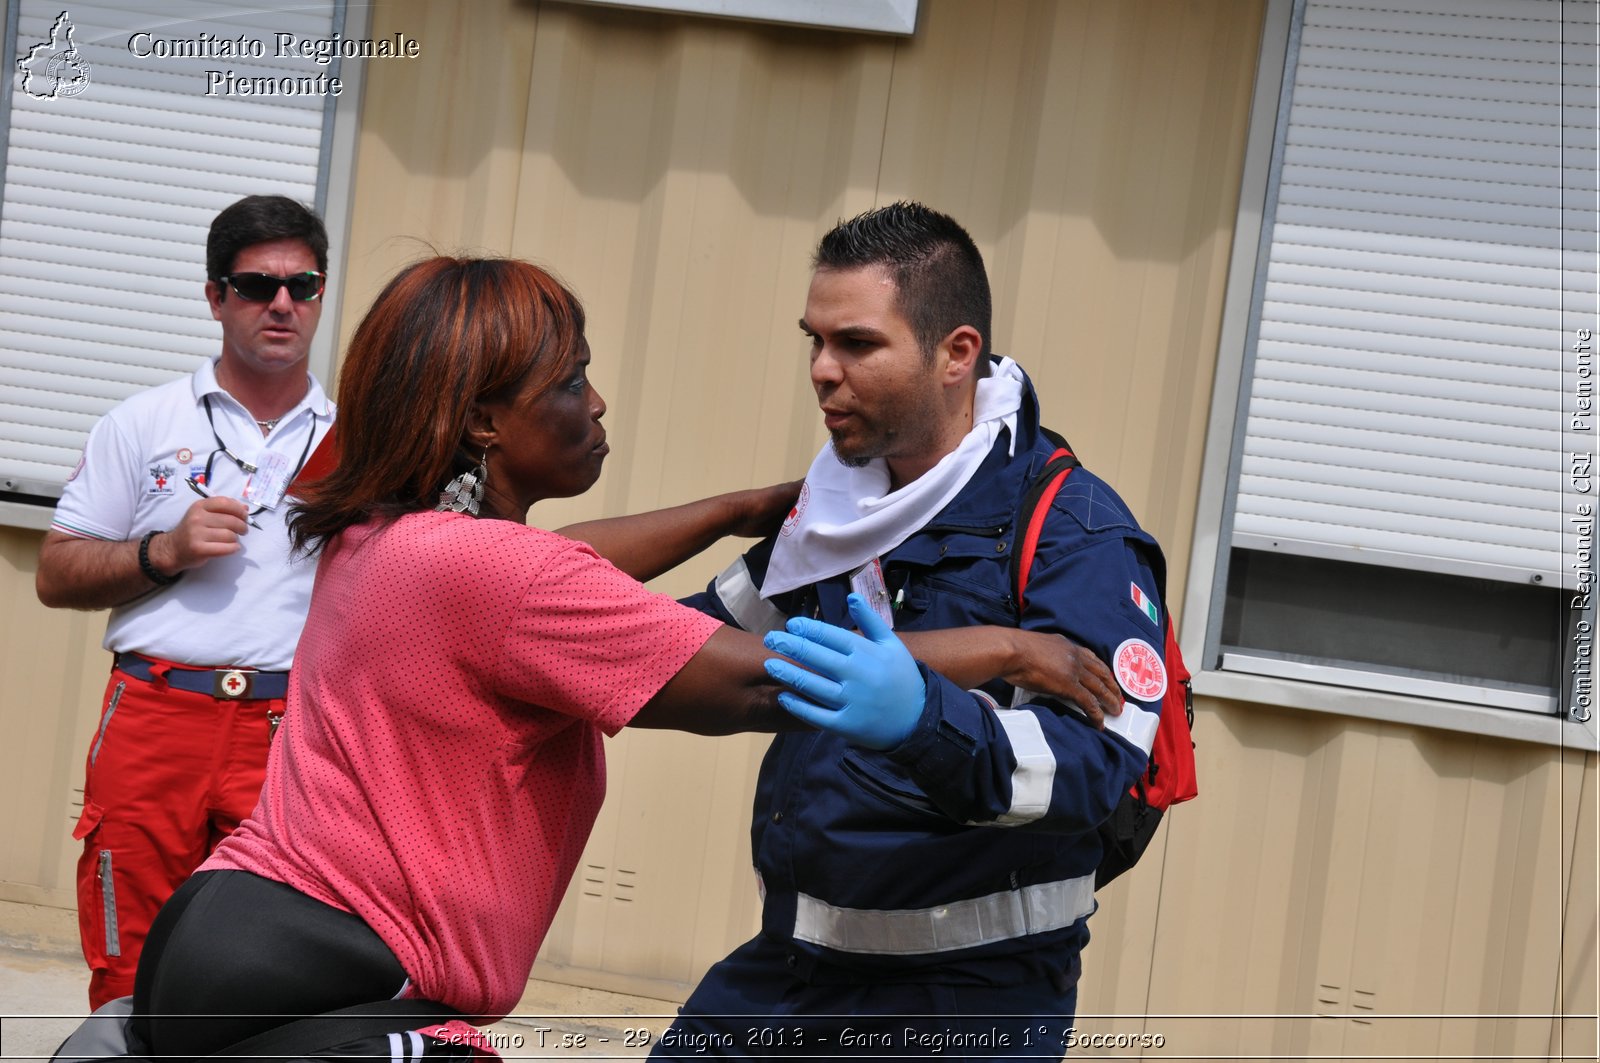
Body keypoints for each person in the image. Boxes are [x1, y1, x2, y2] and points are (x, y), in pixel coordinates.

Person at [123, 255, 1101, 1061]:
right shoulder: (484, 575)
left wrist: (747, 509)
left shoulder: (390, 537)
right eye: (567, 380)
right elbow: (750, 678)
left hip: (244, 947)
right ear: (483, 423)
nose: (595, 401)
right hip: (318, 983)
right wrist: (1011, 646)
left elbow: (563, 559)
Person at [654, 202, 1168, 1060]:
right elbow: (687, 649)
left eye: (856, 344)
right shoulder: (837, 510)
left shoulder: (1075, 528)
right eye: (813, 341)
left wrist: (924, 721)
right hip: (792, 972)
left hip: (965, 1000)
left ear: (956, 354)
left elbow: (1096, 768)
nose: (822, 370)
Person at [35, 194, 336, 1009]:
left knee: (267, 961)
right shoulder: (141, 423)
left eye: (302, 286)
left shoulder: (356, 443)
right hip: (155, 711)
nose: (282, 304)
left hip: (287, 727)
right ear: (215, 296)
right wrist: (161, 551)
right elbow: (56, 573)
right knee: (130, 960)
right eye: (256, 285)